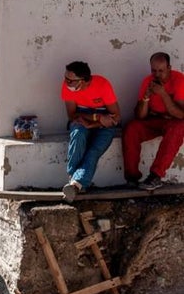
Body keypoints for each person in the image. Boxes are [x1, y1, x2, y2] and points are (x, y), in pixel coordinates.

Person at [122, 52, 184, 190]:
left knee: (178, 128)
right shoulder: (147, 81)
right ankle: (132, 177)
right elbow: (140, 117)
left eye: (161, 71)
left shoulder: (179, 80)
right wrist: (146, 98)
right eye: (154, 70)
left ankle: (155, 176)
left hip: (174, 121)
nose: (157, 75)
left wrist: (163, 94)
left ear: (169, 68)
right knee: (131, 128)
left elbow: (180, 115)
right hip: (154, 119)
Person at [61, 61, 121, 200]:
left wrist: (94, 124)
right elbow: (72, 115)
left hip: (104, 125)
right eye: (65, 78)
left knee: (94, 150)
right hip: (85, 119)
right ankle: (74, 181)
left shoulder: (102, 85)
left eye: (70, 80)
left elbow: (116, 116)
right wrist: (97, 117)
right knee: (78, 135)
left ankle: (75, 184)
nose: (66, 82)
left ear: (83, 81)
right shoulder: (67, 88)